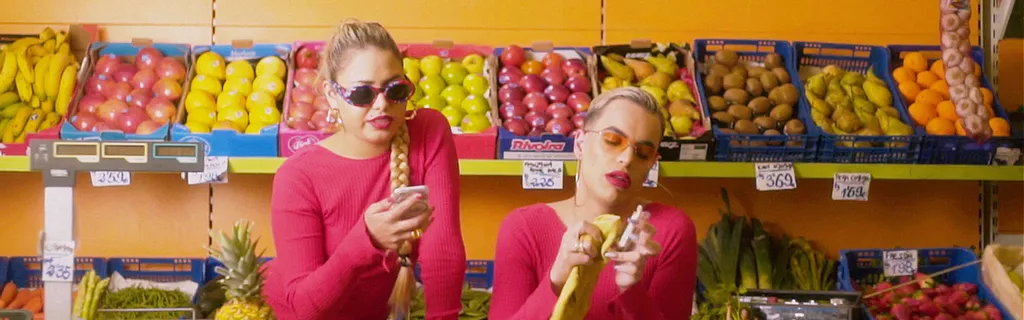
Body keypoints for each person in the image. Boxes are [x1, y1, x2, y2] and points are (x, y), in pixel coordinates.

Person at [265, 19, 467, 320]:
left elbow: (443, 247)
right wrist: (367, 240)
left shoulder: (428, 132)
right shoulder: (297, 177)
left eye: (395, 90)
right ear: (331, 95)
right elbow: (304, 308)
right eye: (362, 94)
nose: (382, 105)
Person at [488, 87, 698, 320]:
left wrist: (632, 292)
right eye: (612, 140)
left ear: (652, 163)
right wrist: (556, 279)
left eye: (643, 153)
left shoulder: (670, 230)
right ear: (579, 144)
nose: (626, 159)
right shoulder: (523, 227)